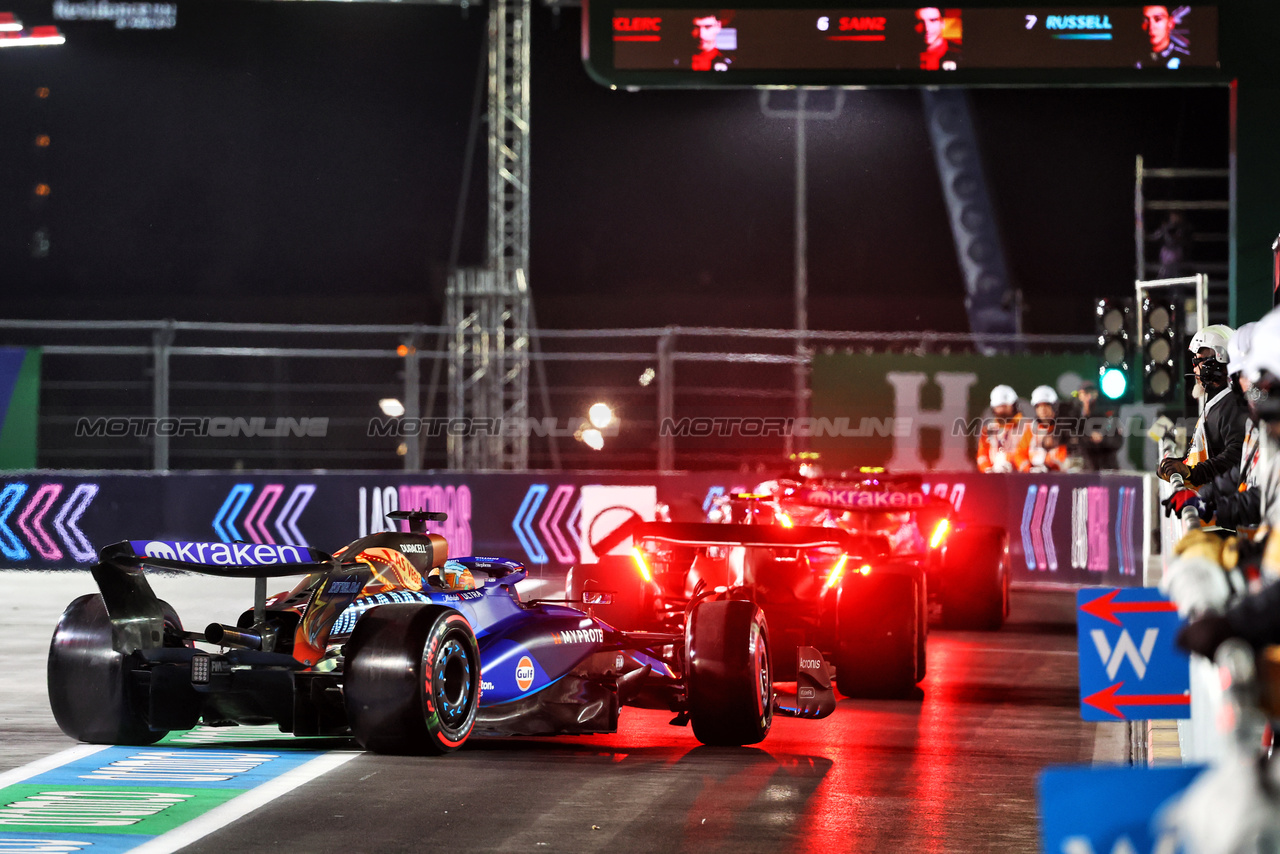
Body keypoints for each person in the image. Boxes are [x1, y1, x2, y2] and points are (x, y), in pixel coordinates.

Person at [1158, 325, 1250, 489]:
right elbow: (1206, 456)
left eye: (1197, 360)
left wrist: (1192, 473)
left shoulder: (1232, 402)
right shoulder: (1219, 402)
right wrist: (1179, 466)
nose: (1194, 368)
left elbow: (1237, 455)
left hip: (1227, 505)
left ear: (1214, 364)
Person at [1064, 380, 1124, 471]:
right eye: (1084, 394)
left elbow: (1117, 441)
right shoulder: (1073, 417)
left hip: (1108, 468)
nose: (1088, 397)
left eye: (1091, 393)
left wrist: (1102, 439)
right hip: (1084, 469)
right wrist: (1089, 437)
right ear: (1079, 396)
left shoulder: (1107, 417)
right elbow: (1070, 439)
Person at [1018, 385, 1068, 472]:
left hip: (1057, 477)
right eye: (1039, 406)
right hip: (1032, 476)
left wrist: (1049, 467)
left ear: (1054, 407)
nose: (1043, 410)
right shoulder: (1030, 430)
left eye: (1046, 405)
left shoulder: (1063, 430)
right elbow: (1020, 453)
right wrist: (1029, 468)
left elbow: (1064, 454)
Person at [977, 384, 1024, 473]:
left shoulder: (1027, 426)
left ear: (1014, 406)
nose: (1002, 410)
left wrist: (1010, 462)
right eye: (999, 407)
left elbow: (1028, 454)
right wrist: (988, 470)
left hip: (1021, 476)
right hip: (994, 477)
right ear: (993, 408)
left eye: (1005, 406)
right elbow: (982, 456)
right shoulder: (988, 430)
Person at [1136, 5, 1190, 70]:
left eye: (1158, 19)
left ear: (1170, 23)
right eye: (1145, 20)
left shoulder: (1186, 59)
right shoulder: (1134, 60)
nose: (1151, 27)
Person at [1150, 211, 1194, 278]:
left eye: (1176, 216)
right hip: (1166, 255)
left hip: (1177, 256)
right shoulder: (1165, 227)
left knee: (1176, 274)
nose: (1174, 218)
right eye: (1173, 216)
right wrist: (1164, 230)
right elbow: (1155, 236)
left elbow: (1185, 241)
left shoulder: (1184, 228)